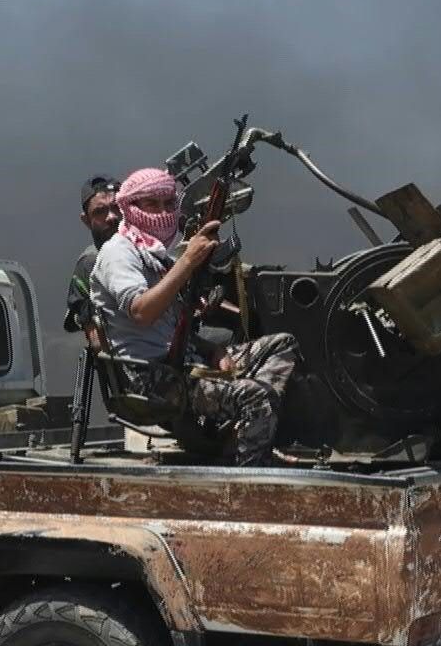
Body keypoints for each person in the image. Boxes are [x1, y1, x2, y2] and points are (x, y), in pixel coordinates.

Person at [89, 167, 298, 465]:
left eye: (168, 204)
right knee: (254, 397)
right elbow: (141, 312)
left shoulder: (158, 252)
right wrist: (187, 261)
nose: (162, 212)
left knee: (282, 344)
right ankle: (250, 471)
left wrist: (211, 349)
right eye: (151, 204)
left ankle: (241, 437)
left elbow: (175, 326)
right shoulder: (118, 253)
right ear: (130, 208)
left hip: (183, 363)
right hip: (153, 377)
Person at [64, 175, 121, 343]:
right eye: (100, 212)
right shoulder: (90, 264)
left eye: (116, 207)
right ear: (86, 220)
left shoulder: (149, 250)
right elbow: (97, 342)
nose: (111, 217)